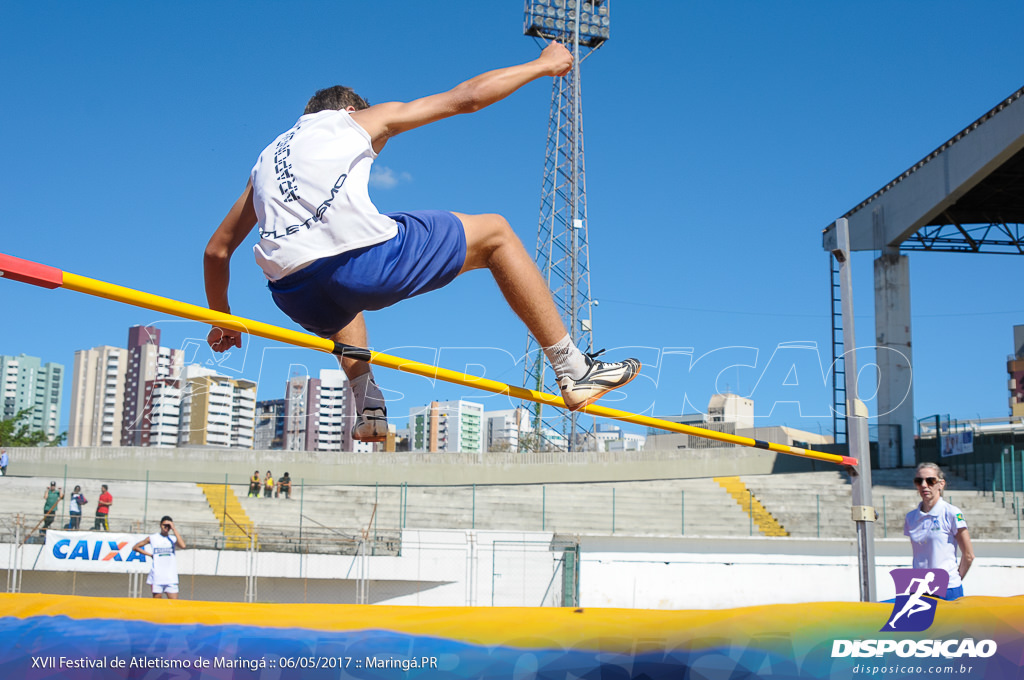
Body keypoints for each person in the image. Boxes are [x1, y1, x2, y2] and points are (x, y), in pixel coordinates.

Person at [203, 43, 640, 442]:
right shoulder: (355, 120)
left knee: (341, 292)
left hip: (295, 294)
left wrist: (222, 319)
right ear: (350, 107)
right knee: (495, 232)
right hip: (360, 267)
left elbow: (217, 251)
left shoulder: (266, 161)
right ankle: (572, 367)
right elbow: (464, 99)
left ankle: (367, 404)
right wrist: (542, 66)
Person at [904, 462, 975, 600]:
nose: (924, 485)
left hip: (947, 588)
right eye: (919, 481)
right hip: (918, 589)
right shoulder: (911, 517)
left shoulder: (951, 513)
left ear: (941, 484)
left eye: (930, 481)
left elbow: (968, 555)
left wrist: (953, 579)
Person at [132, 516, 187, 599]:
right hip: (157, 576)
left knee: (174, 603)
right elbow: (136, 547)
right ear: (160, 525)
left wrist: (174, 529)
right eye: (165, 525)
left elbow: (183, 545)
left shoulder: (172, 539)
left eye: (169, 526)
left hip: (171, 577)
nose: (166, 527)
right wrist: (150, 555)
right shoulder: (153, 538)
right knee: (157, 602)